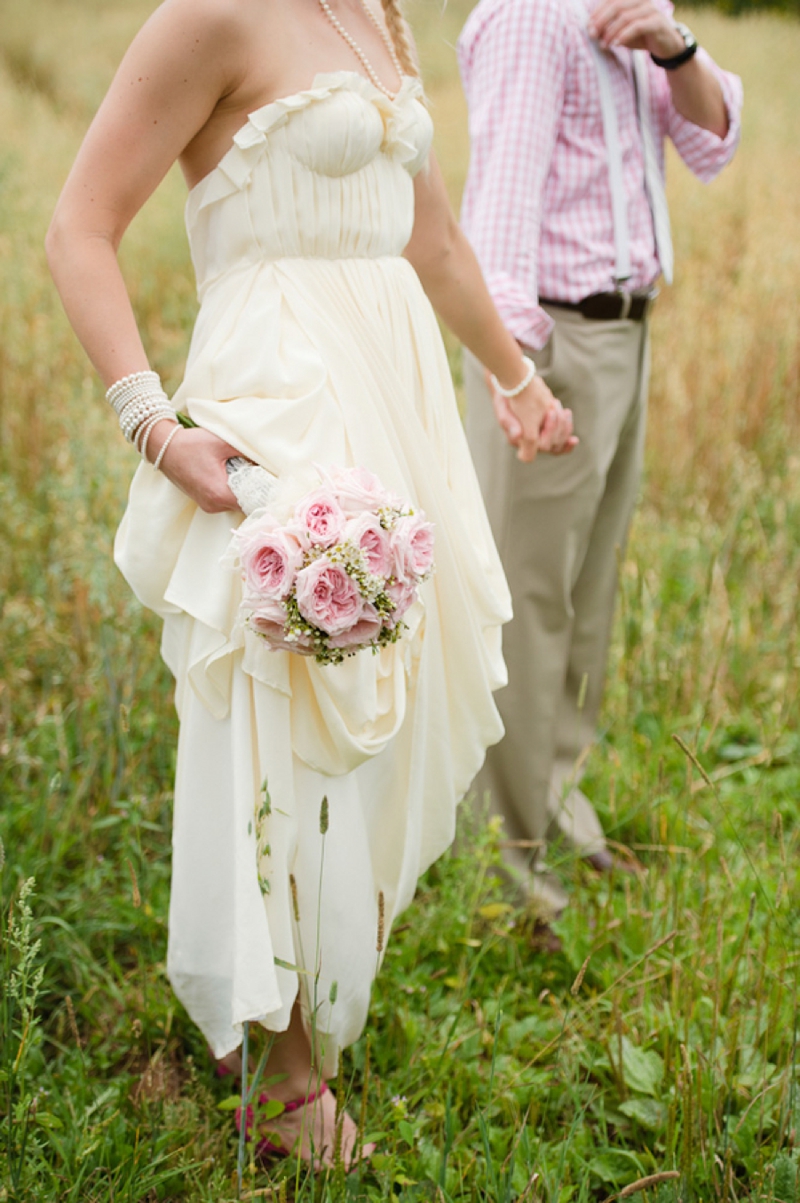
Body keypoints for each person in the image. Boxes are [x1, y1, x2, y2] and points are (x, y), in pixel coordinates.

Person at [47, 0, 575, 1167]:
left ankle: (302, 983)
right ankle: (284, 1075)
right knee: (281, 717)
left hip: (395, 400)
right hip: (278, 398)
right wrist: (151, 423)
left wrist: (513, 377)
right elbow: (78, 227)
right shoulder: (211, 14)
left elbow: (428, 241)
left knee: (383, 714)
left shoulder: (382, 19)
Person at [458, 0, 742, 917]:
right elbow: (496, 216)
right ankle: (509, 868)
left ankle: (558, 813)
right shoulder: (534, 17)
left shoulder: (631, 14)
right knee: (527, 602)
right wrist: (519, 373)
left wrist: (673, 41)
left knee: (587, 592)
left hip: (625, 333)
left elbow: (713, 135)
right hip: (554, 339)